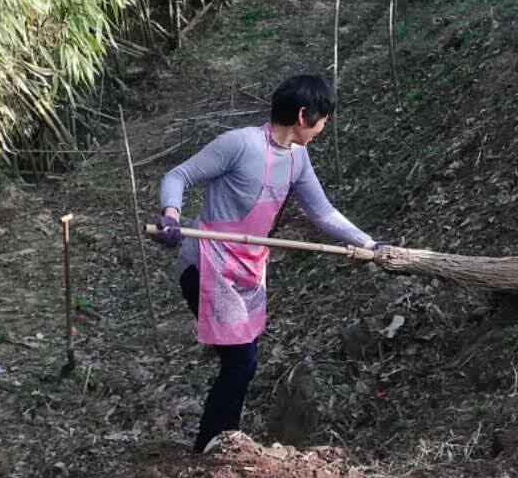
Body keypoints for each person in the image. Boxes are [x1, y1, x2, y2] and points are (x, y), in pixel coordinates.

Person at [154, 76, 380, 453]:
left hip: (247, 271)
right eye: (323, 120)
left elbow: (322, 212)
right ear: (304, 116)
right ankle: (212, 446)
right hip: (206, 265)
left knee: (240, 362)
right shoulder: (240, 144)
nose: (324, 128)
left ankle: (223, 443)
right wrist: (172, 215)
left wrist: (370, 243)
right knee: (242, 361)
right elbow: (178, 175)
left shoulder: (298, 159)